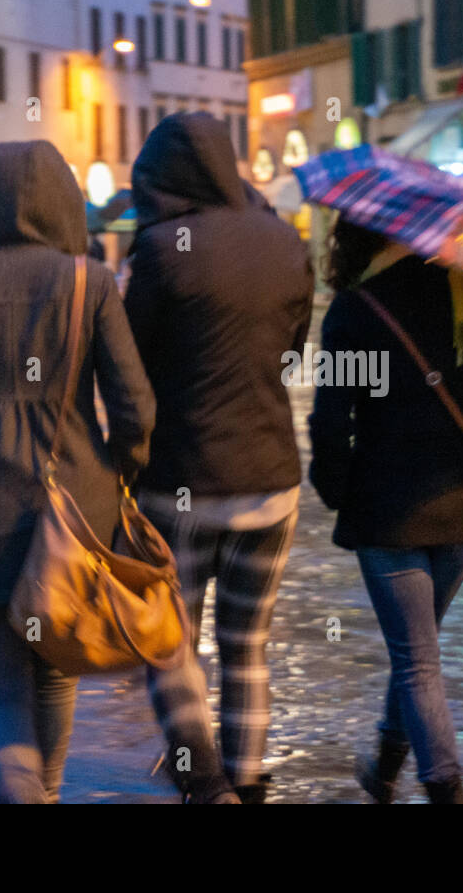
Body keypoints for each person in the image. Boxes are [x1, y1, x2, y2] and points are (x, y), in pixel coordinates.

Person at [0, 140, 156, 803]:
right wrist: (120, 472)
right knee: (55, 671)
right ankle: (49, 792)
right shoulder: (88, 281)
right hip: (78, 508)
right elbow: (136, 407)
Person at [308, 219, 463, 804]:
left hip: (390, 509)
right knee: (417, 650)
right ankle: (384, 769)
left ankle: (444, 789)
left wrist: (335, 489)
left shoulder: (355, 309)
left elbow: (333, 420)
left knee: (416, 661)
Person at [125, 112, 312, 804]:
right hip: (271, 479)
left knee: (170, 643)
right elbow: (294, 349)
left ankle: (203, 785)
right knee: (248, 645)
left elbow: (131, 366)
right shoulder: (284, 240)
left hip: (180, 482)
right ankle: (249, 783)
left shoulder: (160, 249)